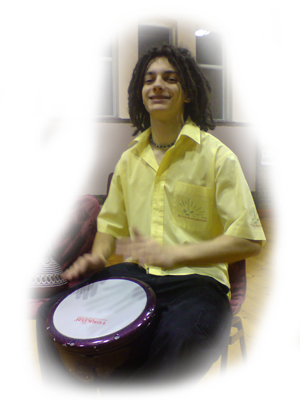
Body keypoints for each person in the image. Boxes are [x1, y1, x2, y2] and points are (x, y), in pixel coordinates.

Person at [36, 45, 266, 400]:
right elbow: (110, 224)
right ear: (139, 94)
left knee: (178, 337)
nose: (157, 85)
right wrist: (98, 256)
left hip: (199, 284)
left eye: (169, 79)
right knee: (50, 316)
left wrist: (176, 254)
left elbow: (250, 240)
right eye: (149, 79)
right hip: (139, 275)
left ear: (187, 92)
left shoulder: (218, 157)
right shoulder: (130, 159)